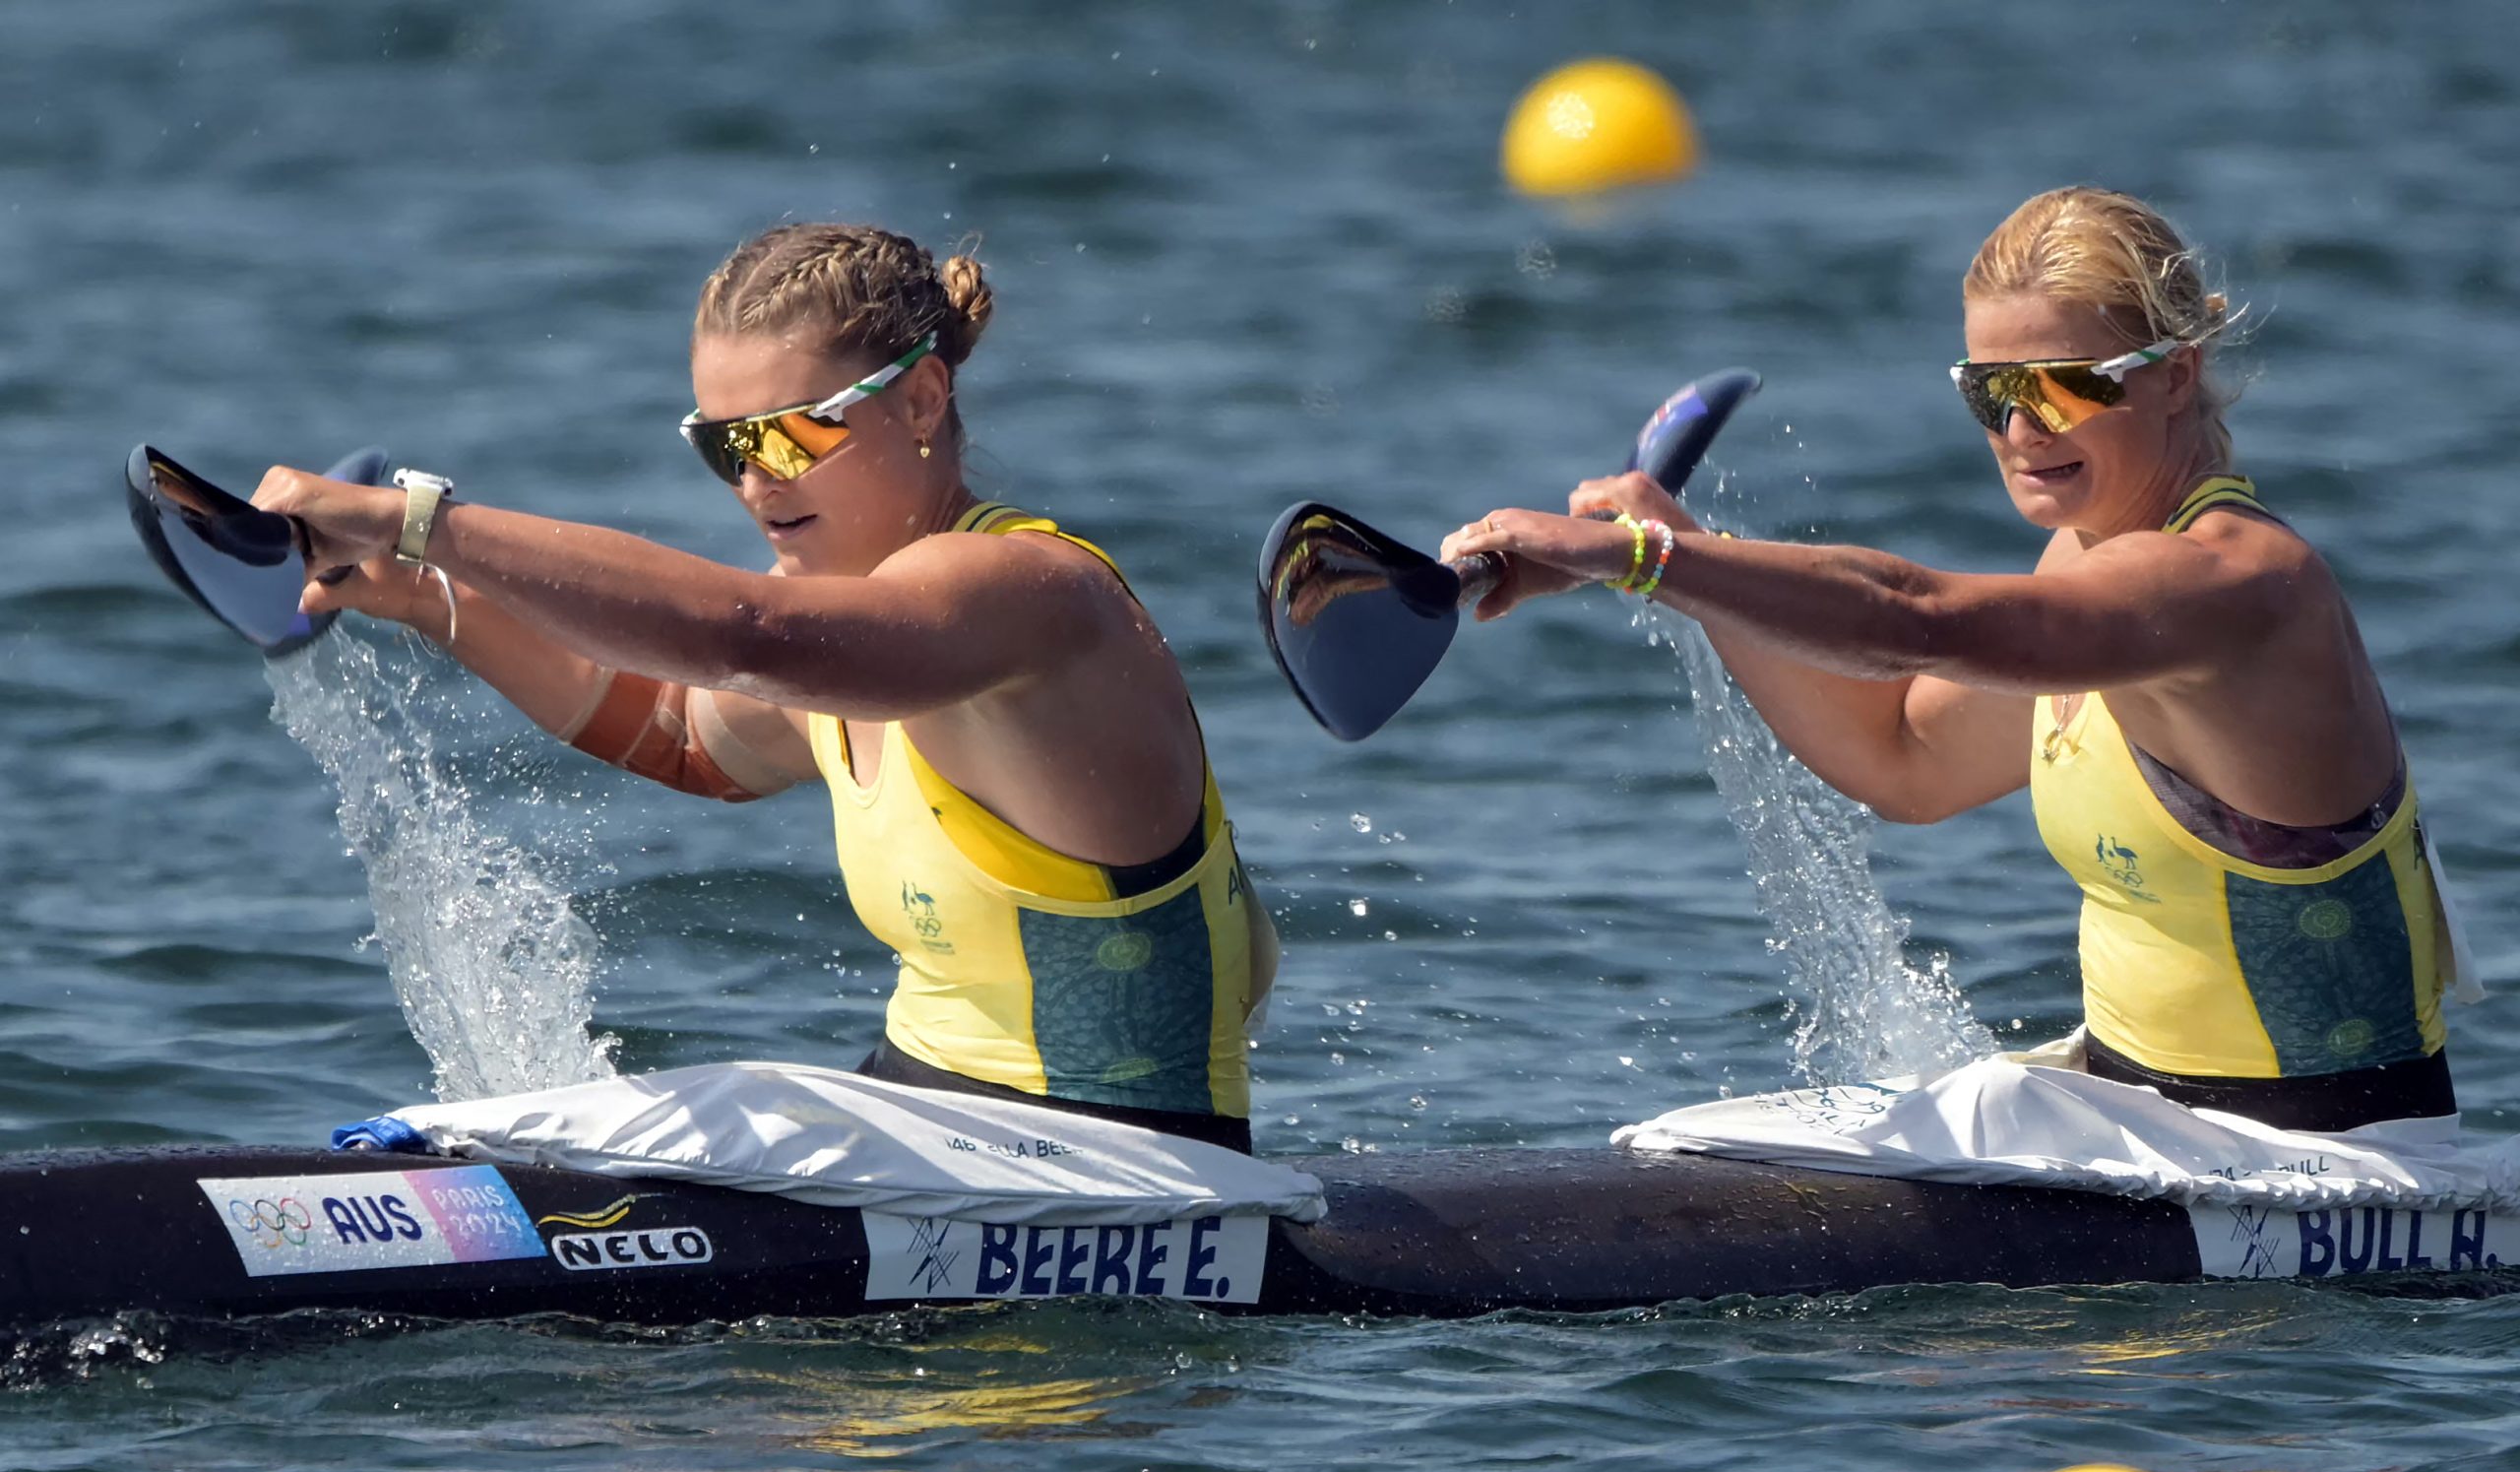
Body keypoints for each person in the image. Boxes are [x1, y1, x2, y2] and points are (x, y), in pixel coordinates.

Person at [1438, 186, 2473, 1131]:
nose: (2020, 431)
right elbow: (1903, 759)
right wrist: (1680, 565)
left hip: (2332, 1168)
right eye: (1989, 394)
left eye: (2060, 389)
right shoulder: (2085, 557)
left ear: (2176, 377)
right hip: (2146, 1126)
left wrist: (1649, 557)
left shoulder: (2231, 586)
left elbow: (1918, 616)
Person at [256, 223, 1274, 1152]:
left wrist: (415, 520)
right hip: (931, 1128)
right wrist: (434, 600)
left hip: (1127, 1164)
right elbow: (683, 734)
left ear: (922, 400)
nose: (754, 482)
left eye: (789, 436)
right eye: (722, 446)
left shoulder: (1023, 594)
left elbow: (735, 634)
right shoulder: (849, 621)